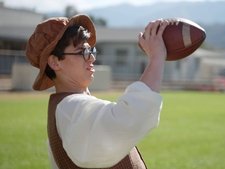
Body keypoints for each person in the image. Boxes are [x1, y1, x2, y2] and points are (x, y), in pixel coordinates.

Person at [26, 14, 168, 169]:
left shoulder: (68, 107)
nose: (92, 58)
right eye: (82, 52)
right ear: (54, 62)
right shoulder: (70, 108)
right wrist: (156, 57)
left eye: (91, 50)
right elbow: (130, 116)